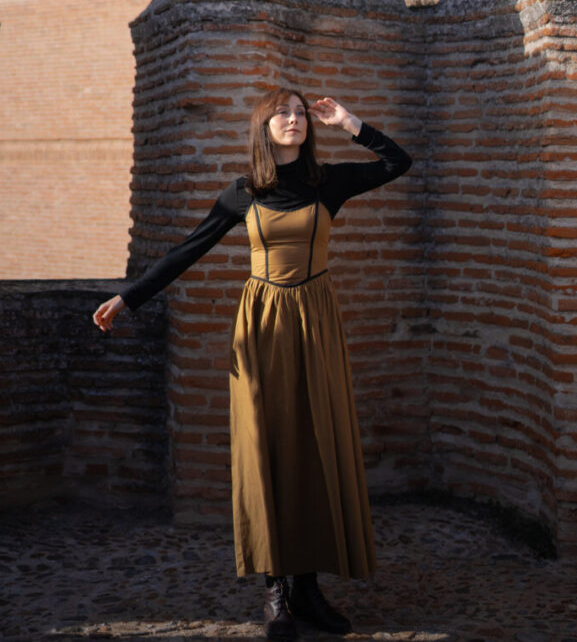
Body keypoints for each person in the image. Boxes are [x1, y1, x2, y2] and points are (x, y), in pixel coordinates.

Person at [93, 88, 412, 639]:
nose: (293, 119)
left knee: (315, 446)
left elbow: (397, 163)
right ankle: (277, 592)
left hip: (316, 323)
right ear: (263, 128)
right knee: (269, 450)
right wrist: (128, 298)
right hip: (263, 327)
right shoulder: (242, 194)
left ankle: (309, 588)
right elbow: (185, 251)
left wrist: (349, 122)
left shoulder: (328, 182)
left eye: (298, 112)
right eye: (280, 113)